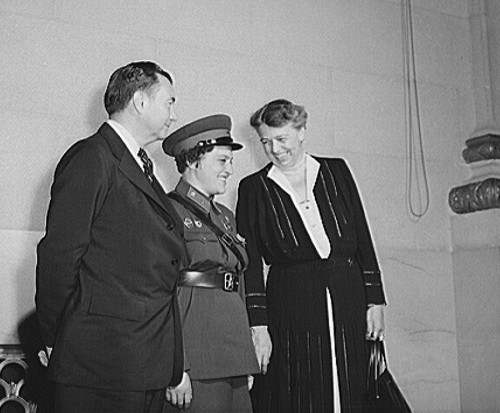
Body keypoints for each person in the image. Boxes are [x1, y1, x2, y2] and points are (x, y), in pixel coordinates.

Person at [35, 61, 187, 413]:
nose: (174, 115)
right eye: (169, 102)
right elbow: (59, 257)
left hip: (144, 359)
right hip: (101, 362)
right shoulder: (92, 158)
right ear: (140, 101)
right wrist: (60, 338)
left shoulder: (139, 165)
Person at [236, 99, 387, 413]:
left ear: (302, 131)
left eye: (282, 139)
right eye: (266, 142)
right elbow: (249, 265)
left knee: (353, 380)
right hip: (290, 303)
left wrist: (375, 300)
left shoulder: (336, 171)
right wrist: (258, 327)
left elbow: (362, 236)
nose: (275, 149)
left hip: (348, 297)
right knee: (300, 390)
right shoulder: (253, 188)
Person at [162, 114, 260, 413]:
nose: (230, 170)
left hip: (234, 353)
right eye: (222, 161)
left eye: (230, 161)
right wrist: (176, 366)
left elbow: (235, 283)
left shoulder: (226, 218)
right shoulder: (166, 211)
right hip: (197, 356)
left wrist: (246, 354)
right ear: (193, 160)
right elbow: (159, 293)